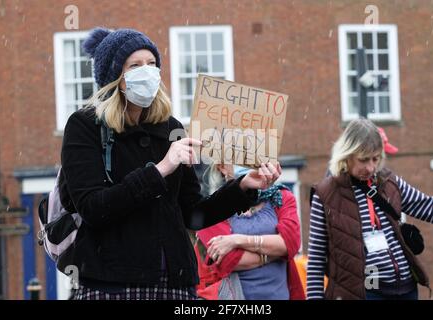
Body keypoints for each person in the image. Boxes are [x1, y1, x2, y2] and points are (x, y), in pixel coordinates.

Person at [61, 27, 282, 300]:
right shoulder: (85, 126)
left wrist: (243, 187)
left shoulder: (171, 128)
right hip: (113, 283)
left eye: (152, 64)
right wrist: (162, 168)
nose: (148, 71)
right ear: (116, 78)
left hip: (176, 284)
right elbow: (94, 207)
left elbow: (192, 213)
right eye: (135, 65)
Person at [306, 118, 433, 300]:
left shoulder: (389, 183)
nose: (371, 167)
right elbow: (316, 260)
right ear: (347, 154)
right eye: (364, 160)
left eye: (376, 159)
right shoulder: (325, 194)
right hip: (365, 291)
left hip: (406, 288)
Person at [195, 164, 305, 300]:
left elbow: (292, 243)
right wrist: (278, 251)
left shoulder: (281, 197)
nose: (249, 164)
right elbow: (230, 260)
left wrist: (237, 240)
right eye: (240, 158)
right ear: (222, 167)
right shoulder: (210, 209)